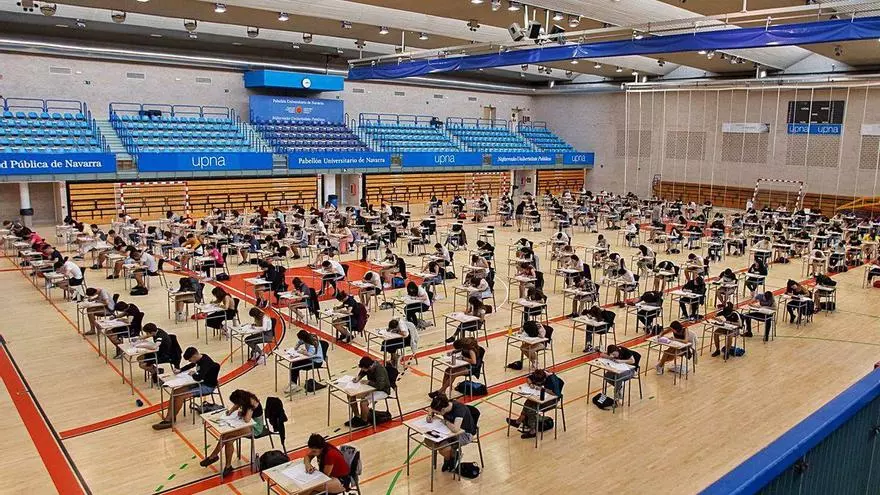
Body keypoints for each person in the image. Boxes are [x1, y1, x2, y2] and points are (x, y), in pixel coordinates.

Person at [199, 390, 264, 478]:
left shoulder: (252, 402)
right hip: (246, 424)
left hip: (255, 427)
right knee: (228, 440)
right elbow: (237, 405)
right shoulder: (244, 397)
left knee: (226, 435)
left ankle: (213, 456)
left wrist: (242, 414)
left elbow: (247, 420)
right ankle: (228, 466)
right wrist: (231, 411)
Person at [153, 347, 220, 430]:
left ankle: (169, 420)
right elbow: (192, 365)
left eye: (190, 359)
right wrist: (180, 370)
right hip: (199, 383)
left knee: (180, 397)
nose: (190, 361)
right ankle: (169, 418)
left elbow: (198, 377)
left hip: (207, 386)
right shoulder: (200, 357)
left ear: (194, 356)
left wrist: (193, 374)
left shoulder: (206, 362)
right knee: (175, 392)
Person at [505, 369, 562, 439]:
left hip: (552, 401)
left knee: (531, 408)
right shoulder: (538, 374)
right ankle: (519, 421)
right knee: (528, 402)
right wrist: (531, 384)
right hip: (541, 396)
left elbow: (556, 394)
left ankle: (532, 431)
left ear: (544, 379)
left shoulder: (553, 380)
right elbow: (528, 378)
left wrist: (543, 389)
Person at [427, 393, 476, 473]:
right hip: (449, 432)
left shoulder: (459, 409)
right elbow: (430, 408)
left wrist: (445, 422)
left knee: (443, 448)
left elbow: (456, 429)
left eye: (437, 413)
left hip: (465, 434)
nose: (436, 414)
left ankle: (450, 459)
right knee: (428, 441)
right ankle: (453, 456)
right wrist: (429, 415)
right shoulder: (444, 404)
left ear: (443, 410)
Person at [347, 357, 390, 428]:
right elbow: (363, 371)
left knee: (363, 403)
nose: (362, 369)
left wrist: (368, 382)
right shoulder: (369, 365)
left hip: (382, 390)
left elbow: (380, 386)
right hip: (372, 388)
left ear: (369, 367)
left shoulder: (380, 370)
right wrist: (358, 378)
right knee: (351, 396)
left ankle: (364, 421)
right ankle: (357, 416)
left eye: (364, 368)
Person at [286, 330, 325, 394]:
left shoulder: (312, 343)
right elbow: (299, 342)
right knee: (294, 363)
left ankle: (293, 385)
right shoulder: (306, 337)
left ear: (304, 338)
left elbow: (311, 355)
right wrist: (296, 347)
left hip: (316, 362)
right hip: (310, 359)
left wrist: (303, 352)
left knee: (295, 366)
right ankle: (293, 384)